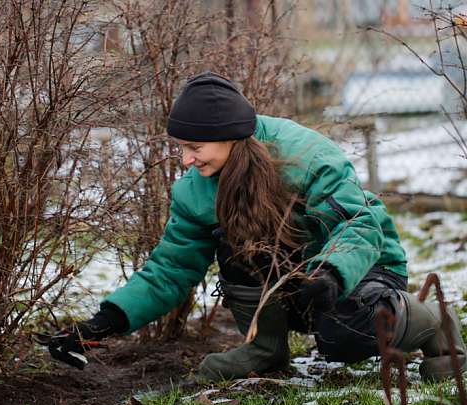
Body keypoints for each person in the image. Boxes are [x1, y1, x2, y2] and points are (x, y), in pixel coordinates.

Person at [49, 71, 467, 382]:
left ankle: (433, 320)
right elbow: (171, 268)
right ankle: (265, 349)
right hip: (295, 278)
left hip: (361, 268)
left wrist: (331, 273)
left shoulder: (307, 158)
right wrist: (103, 323)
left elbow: (358, 227)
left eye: (194, 148)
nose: (185, 161)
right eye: (181, 149)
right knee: (234, 245)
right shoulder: (196, 191)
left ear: (229, 136)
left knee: (343, 336)